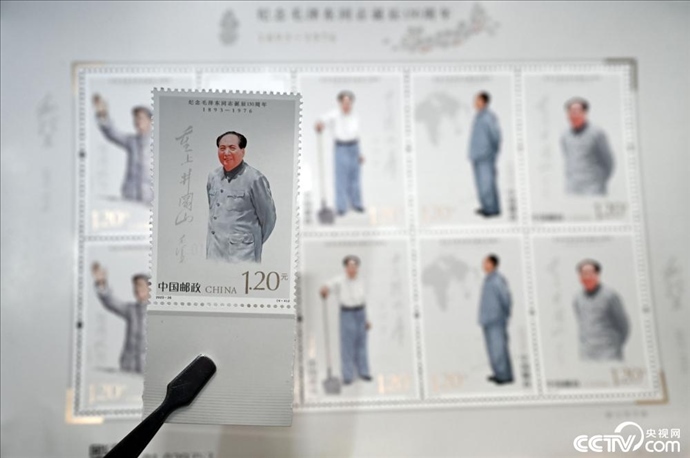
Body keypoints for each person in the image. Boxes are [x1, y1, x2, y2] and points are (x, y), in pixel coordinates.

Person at [206, 131, 276, 263]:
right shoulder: (213, 177)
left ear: (242, 151)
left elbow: (268, 218)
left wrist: (251, 242)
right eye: (222, 148)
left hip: (242, 255)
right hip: (214, 252)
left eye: (232, 148)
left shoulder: (255, 179)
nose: (226, 153)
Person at [320, 255, 372, 385]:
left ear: (357, 268)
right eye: (349, 266)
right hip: (347, 313)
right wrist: (325, 290)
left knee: (362, 343)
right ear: (346, 268)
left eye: (354, 266)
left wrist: (367, 319)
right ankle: (348, 375)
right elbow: (327, 286)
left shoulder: (362, 281)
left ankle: (364, 372)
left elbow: (366, 299)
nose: (352, 269)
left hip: (361, 313)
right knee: (347, 345)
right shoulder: (339, 280)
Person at [92, 94, 153, 203]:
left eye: (140, 118)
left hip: (151, 200)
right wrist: (103, 114)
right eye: (135, 118)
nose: (137, 121)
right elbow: (112, 133)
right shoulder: (132, 142)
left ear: (150, 121)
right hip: (130, 197)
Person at [91, 262, 148, 374]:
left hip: (149, 370)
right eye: (135, 285)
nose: (136, 289)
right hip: (128, 367)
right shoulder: (131, 310)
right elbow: (111, 302)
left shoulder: (160, 312)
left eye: (140, 285)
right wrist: (101, 283)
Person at [315, 90, 365, 217]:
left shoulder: (355, 116)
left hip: (354, 147)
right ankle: (342, 207)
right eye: (344, 102)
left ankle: (356, 203)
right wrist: (320, 125)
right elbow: (321, 121)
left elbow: (358, 135)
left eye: (349, 103)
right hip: (341, 147)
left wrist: (360, 153)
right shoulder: (334, 115)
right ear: (340, 103)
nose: (346, 105)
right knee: (341, 178)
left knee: (355, 177)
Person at [573, 259, 629, 361]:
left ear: (597, 275)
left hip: (609, 353)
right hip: (587, 355)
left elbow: (623, 325)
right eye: (583, 274)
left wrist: (615, 346)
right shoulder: (578, 298)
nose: (586, 277)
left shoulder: (610, 295)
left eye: (590, 273)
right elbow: (581, 323)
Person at [560, 97, 615, 195]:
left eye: (576, 111)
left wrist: (600, 182)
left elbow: (608, 162)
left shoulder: (597, 133)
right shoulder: (565, 135)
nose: (573, 114)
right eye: (570, 111)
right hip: (572, 188)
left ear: (584, 113)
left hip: (593, 188)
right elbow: (568, 158)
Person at [478, 254, 513, 384]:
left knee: (498, 349)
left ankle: (504, 376)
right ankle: (498, 373)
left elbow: (506, 298)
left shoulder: (497, 280)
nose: (483, 265)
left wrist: (504, 315)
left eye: (486, 262)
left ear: (492, 264)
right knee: (492, 350)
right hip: (487, 320)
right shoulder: (488, 279)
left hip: (496, 320)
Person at [468, 91, 502, 217]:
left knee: (487, 183)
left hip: (485, 156)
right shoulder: (478, 116)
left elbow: (496, 136)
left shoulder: (489, 117)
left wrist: (492, 152)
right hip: (477, 156)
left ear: (484, 102)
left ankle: (492, 209)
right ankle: (486, 207)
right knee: (481, 184)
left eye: (477, 100)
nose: (475, 102)